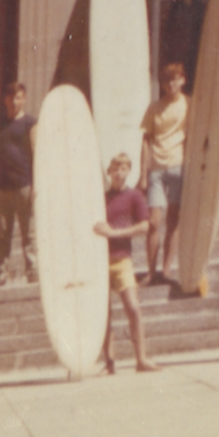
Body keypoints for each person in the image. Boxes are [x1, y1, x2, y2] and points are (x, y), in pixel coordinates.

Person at [94, 153, 160, 373]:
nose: (119, 173)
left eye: (124, 169)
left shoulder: (134, 197)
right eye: (115, 169)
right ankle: (109, 362)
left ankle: (141, 359)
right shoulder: (100, 197)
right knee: (104, 314)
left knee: (133, 308)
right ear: (109, 172)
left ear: (128, 171)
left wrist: (114, 233)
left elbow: (144, 226)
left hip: (122, 259)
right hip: (100, 262)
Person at [139, 62, 189, 285]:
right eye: (168, 81)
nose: (172, 84)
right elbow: (146, 140)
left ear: (182, 80)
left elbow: (213, 114)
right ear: (163, 85)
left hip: (178, 166)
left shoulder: (190, 104)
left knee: (173, 220)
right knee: (154, 222)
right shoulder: (154, 108)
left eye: (176, 79)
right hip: (157, 169)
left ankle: (166, 270)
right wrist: (143, 172)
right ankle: (151, 272)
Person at [0, 81, 37, 286]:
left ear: (23, 99)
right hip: (1, 187)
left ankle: (33, 269)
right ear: (5, 100)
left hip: (23, 184)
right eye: (10, 98)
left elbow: (37, 153)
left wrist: (36, 184)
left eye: (18, 97)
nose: (14, 101)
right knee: (3, 234)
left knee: (29, 232)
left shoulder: (30, 122)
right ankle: (2, 271)